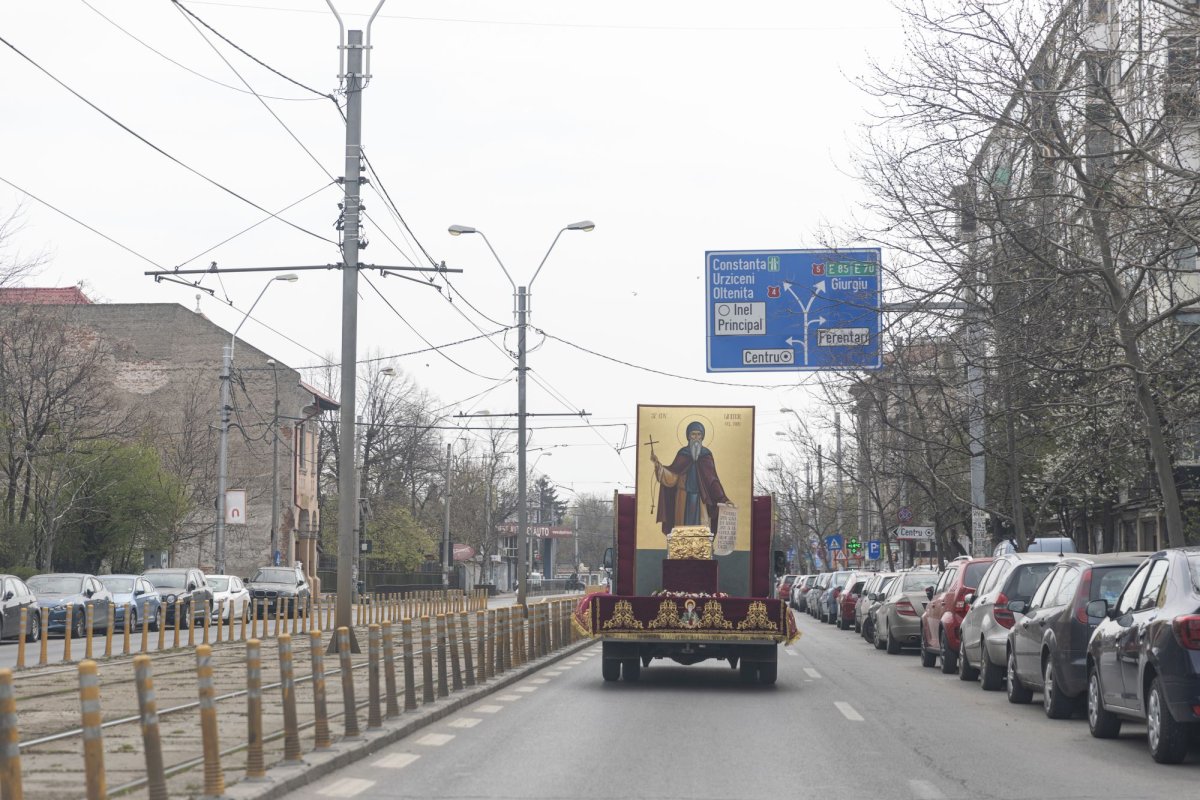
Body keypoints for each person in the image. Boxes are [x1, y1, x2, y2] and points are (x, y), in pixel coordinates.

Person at [650, 420, 733, 536]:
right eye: (693, 434)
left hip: (701, 499)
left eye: (699, 434)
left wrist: (723, 498)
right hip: (683, 497)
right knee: (682, 529)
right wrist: (658, 465)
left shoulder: (706, 455)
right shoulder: (683, 453)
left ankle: (701, 550)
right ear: (688, 436)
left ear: (702, 437)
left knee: (701, 528)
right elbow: (673, 476)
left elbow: (712, 480)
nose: (696, 437)